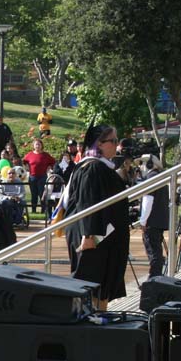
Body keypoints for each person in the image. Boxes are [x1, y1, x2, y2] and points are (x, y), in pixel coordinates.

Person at [64, 125, 129, 310]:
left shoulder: (101, 167)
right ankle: (91, 321)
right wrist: (89, 235)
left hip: (103, 237)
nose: (116, 146)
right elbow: (87, 202)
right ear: (99, 144)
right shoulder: (92, 167)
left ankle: (101, 317)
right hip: (92, 238)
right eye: (113, 141)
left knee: (102, 285)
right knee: (90, 283)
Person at [137, 158, 171, 278]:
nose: (140, 167)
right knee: (156, 250)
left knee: (153, 251)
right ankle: (156, 276)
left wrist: (143, 221)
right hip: (159, 220)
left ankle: (154, 278)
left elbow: (148, 201)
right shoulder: (160, 177)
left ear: (150, 164)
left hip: (151, 221)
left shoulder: (151, 178)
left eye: (142, 163)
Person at [22, 139, 56, 214]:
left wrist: (49, 167)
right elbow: (24, 161)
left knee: (42, 195)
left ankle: (43, 211)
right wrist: (26, 167)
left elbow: (53, 161)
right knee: (34, 195)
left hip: (42, 177)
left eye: (39, 144)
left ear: (41, 146)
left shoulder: (45, 155)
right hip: (32, 177)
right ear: (33, 146)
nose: (37, 146)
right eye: (36, 144)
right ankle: (33, 211)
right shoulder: (30, 154)